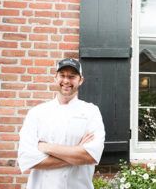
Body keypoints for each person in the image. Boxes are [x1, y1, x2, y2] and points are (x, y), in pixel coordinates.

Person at [18, 58, 105, 189]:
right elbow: (27, 159)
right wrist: (76, 153)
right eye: (62, 75)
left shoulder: (91, 112)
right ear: (55, 78)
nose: (66, 81)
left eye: (72, 76)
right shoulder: (37, 113)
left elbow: (91, 155)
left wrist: (46, 147)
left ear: (80, 80)